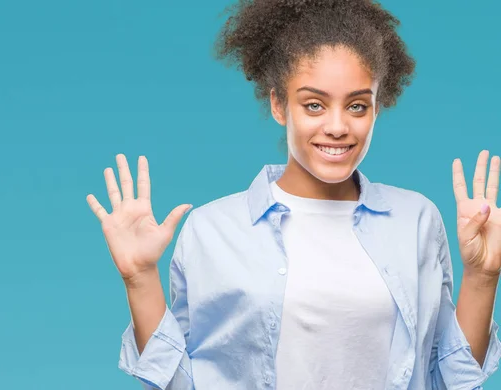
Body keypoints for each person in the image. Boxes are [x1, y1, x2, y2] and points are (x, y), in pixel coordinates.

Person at [86, 0, 501, 389]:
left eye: (357, 106)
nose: (338, 126)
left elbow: (450, 378)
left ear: (377, 108)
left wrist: (483, 277)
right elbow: (181, 382)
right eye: (314, 105)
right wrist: (140, 279)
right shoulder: (212, 230)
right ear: (279, 105)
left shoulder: (416, 220)